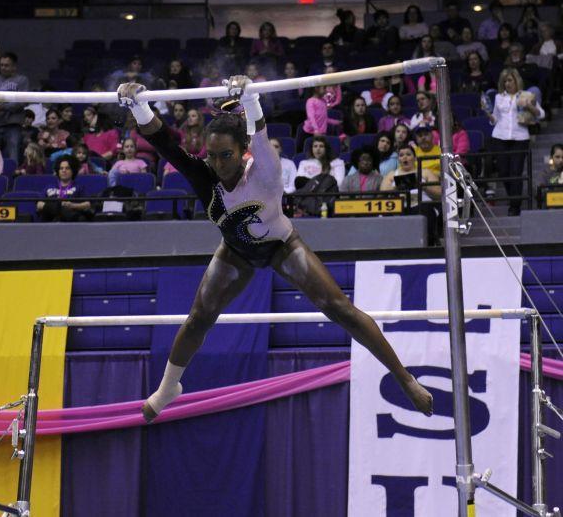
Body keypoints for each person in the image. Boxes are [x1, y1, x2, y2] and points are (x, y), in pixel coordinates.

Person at [118, 76, 433, 423]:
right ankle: (168, 388)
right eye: (213, 156)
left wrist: (250, 96)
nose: (219, 164)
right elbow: (166, 144)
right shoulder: (204, 176)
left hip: (282, 246)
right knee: (199, 318)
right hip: (235, 251)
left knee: (338, 306)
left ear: (243, 152)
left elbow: (259, 128)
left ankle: (404, 378)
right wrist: (138, 105)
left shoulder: (264, 170)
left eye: (227, 155)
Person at [490, 68, 544, 215]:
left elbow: (541, 114)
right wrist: (489, 115)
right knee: (503, 172)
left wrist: (529, 106)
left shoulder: (526, 95)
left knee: (516, 173)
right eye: (505, 81)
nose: (507, 83)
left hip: (520, 138)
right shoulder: (498, 97)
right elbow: (495, 118)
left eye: (510, 80)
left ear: (516, 81)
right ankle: (514, 197)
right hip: (500, 137)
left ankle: (515, 207)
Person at [380, 145, 442, 244]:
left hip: (421, 205)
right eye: (401, 155)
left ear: (415, 158)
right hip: (399, 206)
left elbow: (439, 193)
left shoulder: (425, 172)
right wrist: (397, 186)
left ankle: (429, 243)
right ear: (398, 159)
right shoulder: (391, 174)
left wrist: (423, 186)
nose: (404, 157)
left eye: (408, 154)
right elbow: (383, 193)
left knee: (425, 209)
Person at [37, 155, 93, 222]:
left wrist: (73, 205)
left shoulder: (79, 187)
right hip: (50, 217)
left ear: (73, 171)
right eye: (61, 168)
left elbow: (87, 204)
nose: (64, 170)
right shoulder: (49, 187)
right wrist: (57, 207)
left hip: (71, 219)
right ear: (58, 171)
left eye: (67, 168)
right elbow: (39, 204)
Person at [298, 86, 341, 151]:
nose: (326, 90)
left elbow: (324, 118)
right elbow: (311, 117)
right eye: (324, 88)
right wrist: (316, 129)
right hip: (308, 133)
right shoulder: (310, 101)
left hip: (320, 133)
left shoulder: (323, 101)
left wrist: (335, 122)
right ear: (316, 89)